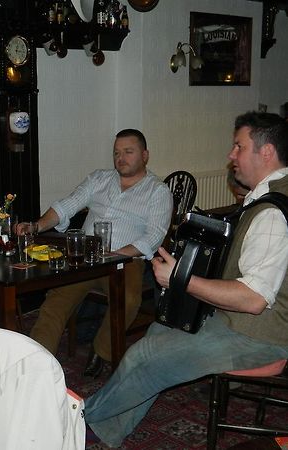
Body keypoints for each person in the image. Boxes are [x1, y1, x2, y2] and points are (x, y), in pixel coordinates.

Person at [83, 111, 288, 447]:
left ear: (266, 152)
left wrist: (180, 277)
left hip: (260, 338)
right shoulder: (272, 196)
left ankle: (82, 417)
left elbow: (253, 300)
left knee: (149, 357)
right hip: (240, 322)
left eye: (239, 146)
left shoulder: (272, 214)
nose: (231, 155)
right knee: (158, 331)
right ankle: (107, 428)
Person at [17, 129, 173, 377]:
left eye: (128, 152)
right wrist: (35, 225)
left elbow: (154, 235)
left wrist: (118, 255)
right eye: (116, 153)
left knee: (129, 300)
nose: (120, 158)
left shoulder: (158, 191)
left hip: (126, 261)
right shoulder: (99, 178)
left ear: (145, 155)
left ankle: (101, 352)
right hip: (86, 257)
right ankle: (37, 360)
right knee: (56, 299)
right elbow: (67, 205)